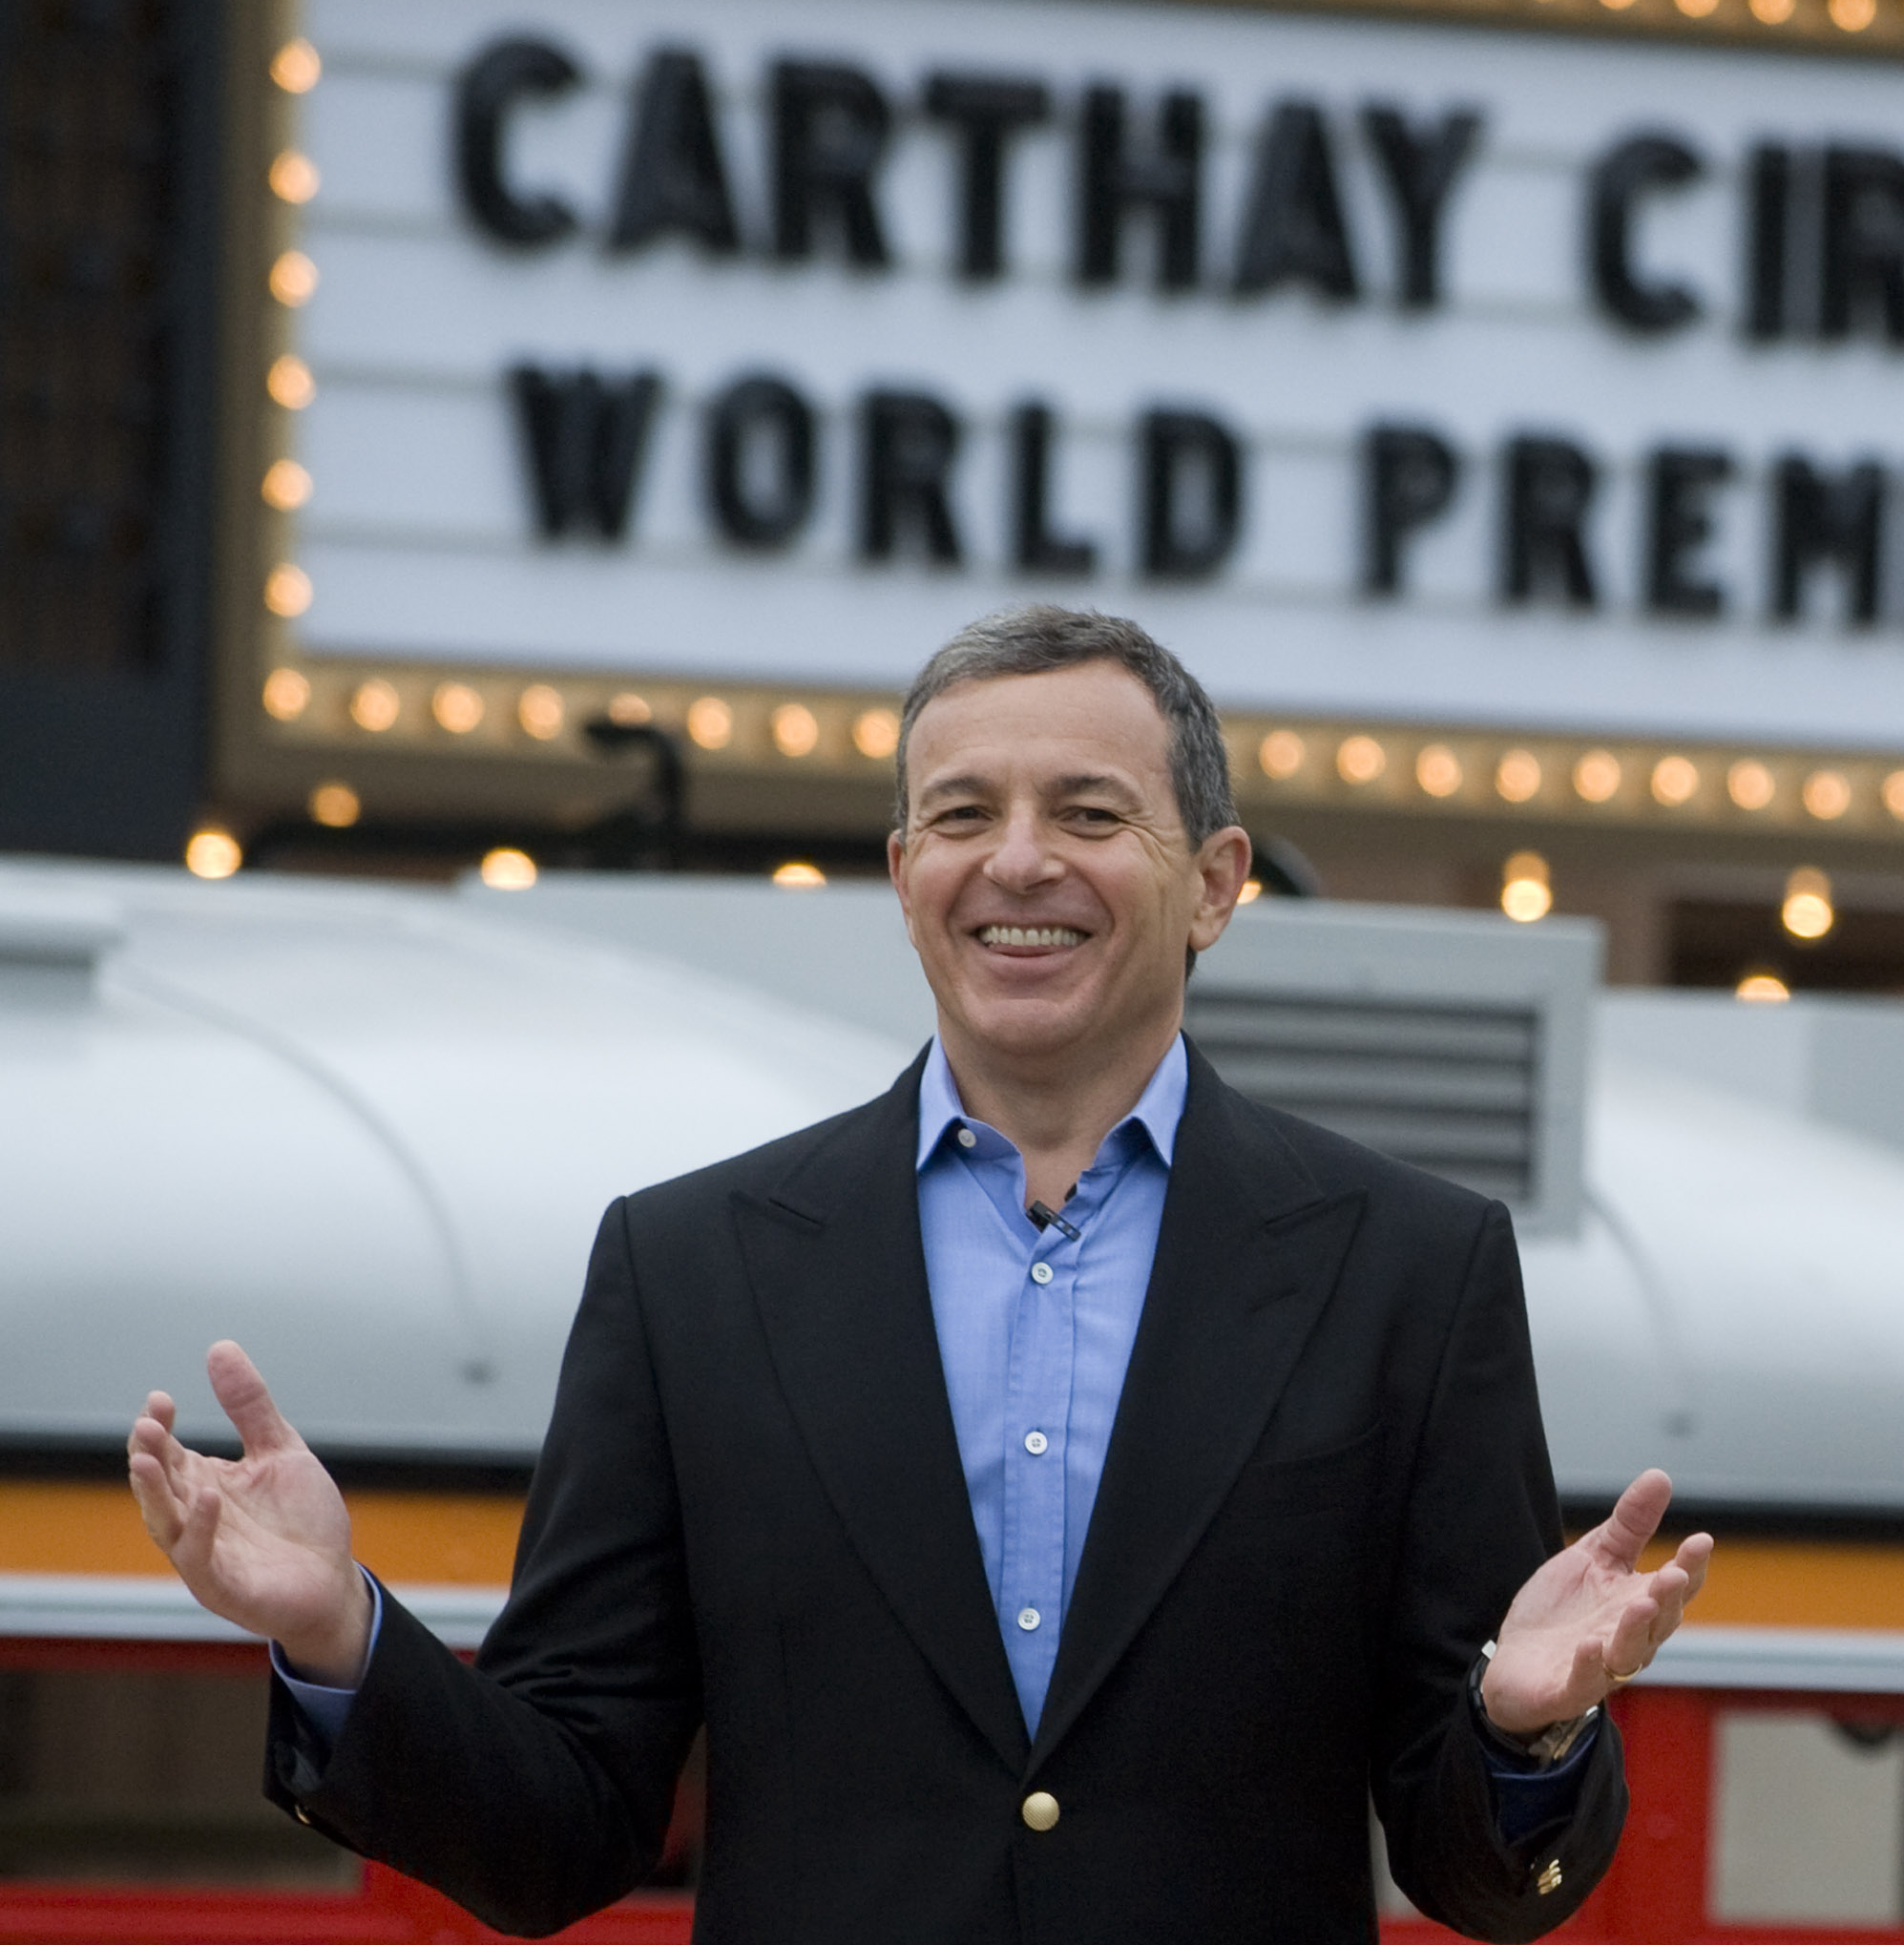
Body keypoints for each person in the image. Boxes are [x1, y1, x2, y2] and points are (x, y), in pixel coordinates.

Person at [125, 605, 1711, 1945]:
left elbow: (1477, 1877)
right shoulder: (691, 1271)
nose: (1016, 862)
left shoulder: (1410, 1270)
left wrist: (1524, 1728)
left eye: (1089, 814)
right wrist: (341, 1635)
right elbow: (563, 1826)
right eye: (961, 816)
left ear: (1217, 881)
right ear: (902, 875)